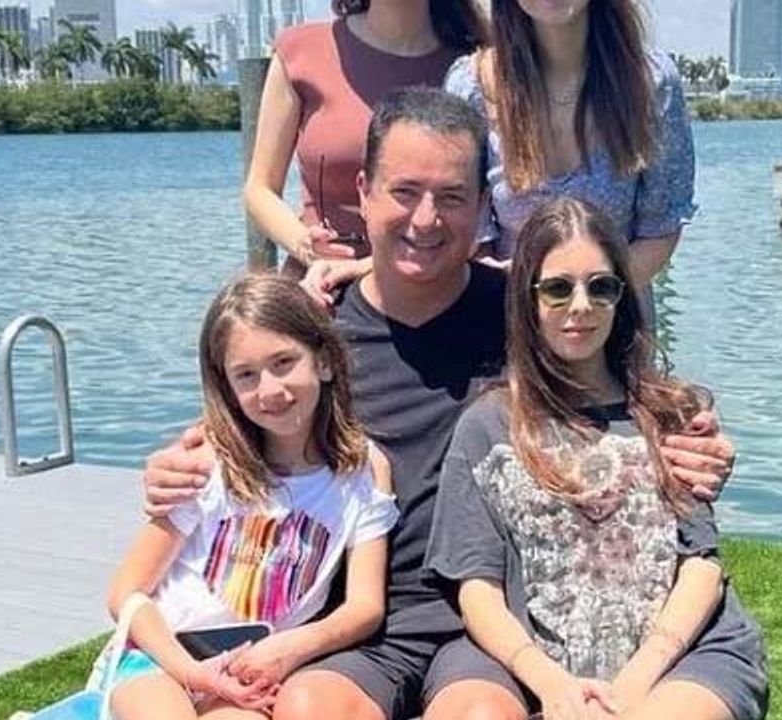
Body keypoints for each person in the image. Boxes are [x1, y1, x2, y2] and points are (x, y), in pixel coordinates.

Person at [144, 88, 737, 720]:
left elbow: (623, 401)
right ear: (364, 192)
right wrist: (179, 464)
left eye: (451, 197)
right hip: (360, 623)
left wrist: (697, 441)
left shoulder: (526, 316)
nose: (426, 219)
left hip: (492, 621)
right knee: (309, 708)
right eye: (404, 192)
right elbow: (245, 415)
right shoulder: (315, 339)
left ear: (482, 206)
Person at [426, 198, 767, 720]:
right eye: (558, 289)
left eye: (601, 287)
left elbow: (700, 563)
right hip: (536, 656)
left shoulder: (670, 412)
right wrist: (551, 684)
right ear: (528, 299)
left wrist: (633, 684)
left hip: (683, 653)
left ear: (620, 296)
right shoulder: (487, 426)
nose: (581, 305)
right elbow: (476, 587)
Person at [103, 274, 400, 720]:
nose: (270, 390)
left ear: (323, 361)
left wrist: (291, 647)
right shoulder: (208, 463)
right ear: (227, 386)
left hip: (251, 671)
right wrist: (192, 672)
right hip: (159, 661)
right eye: (246, 375)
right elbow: (125, 591)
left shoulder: (364, 470)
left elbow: (364, 606)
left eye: (284, 362)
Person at [443, 0, 696, 302]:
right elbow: (469, 233)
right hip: (506, 311)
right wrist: (530, 290)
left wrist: (587, 292)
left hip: (615, 312)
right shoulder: (470, 86)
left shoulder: (652, 83)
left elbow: (660, 229)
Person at [242, 0, 485, 275]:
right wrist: (305, 245)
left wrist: (362, 268)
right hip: (321, 281)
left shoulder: (475, 66)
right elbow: (259, 189)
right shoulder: (300, 51)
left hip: (437, 279)